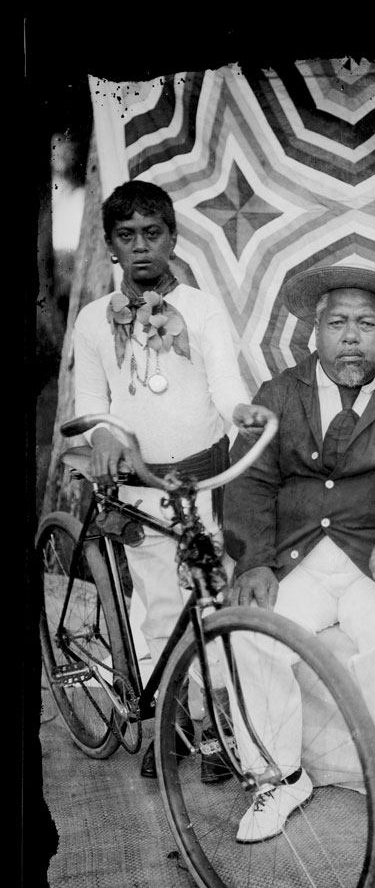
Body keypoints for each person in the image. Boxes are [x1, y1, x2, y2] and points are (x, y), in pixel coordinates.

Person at [222, 265, 375, 848]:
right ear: (314, 332)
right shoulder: (279, 392)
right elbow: (248, 480)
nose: (351, 337)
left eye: (366, 324)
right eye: (337, 323)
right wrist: (255, 559)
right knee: (250, 635)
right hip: (297, 556)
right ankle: (278, 777)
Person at [72, 179, 260, 779]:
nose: (142, 247)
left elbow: (225, 386)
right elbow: (91, 401)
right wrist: (102, 433)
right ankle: (174, 723)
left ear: (173, 238)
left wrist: (240, 412)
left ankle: (214, 725)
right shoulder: (93, 320)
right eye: (127, 237)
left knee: (207, 604)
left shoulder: (203, 310)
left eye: (153, 234)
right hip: (139, 491)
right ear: (110, 247)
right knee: (158, 608)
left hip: (200, 490)